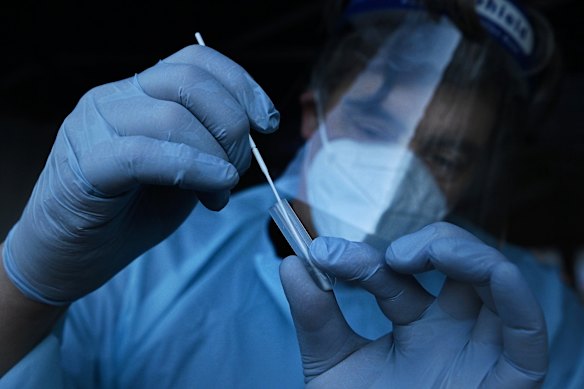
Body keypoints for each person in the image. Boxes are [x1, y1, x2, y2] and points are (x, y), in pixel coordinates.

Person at [1, 0, 583, 387]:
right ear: (312, 113)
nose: (398, 173)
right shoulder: (149, 252)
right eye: (376, 129)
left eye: (446, 156)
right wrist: (25, 287)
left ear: (479, 174)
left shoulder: (530, 311)